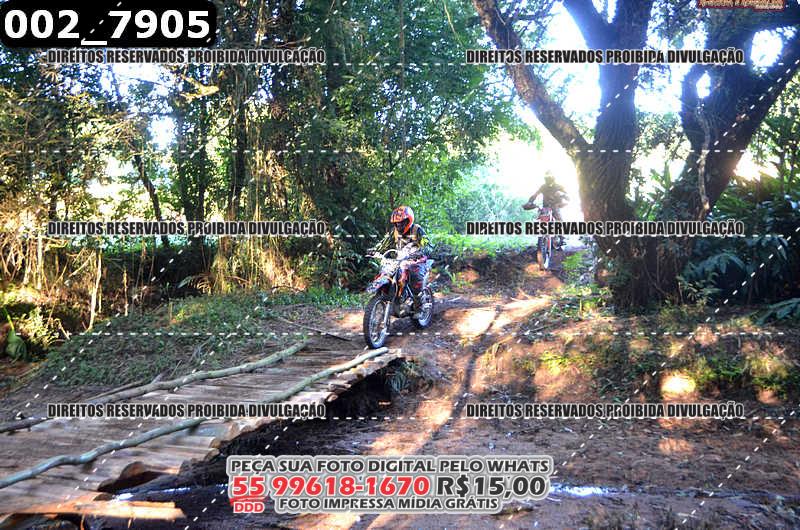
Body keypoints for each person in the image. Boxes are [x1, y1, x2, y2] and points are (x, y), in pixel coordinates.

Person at [372, 205, 430, 315]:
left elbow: (427, 244)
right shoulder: (394, 232)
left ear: (408, 220)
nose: (399, 225)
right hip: (400, 259)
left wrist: (420, 251)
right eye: (397, 223)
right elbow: (384, 243)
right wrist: (374, 250)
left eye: (402, 222)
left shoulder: (417, 230)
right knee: (387, 271)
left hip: (417, 260)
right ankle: (395, 296)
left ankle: (419, 305)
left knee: (416, 276)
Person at [523, 174, 568, 249]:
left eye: (549, 179)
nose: (548, 181)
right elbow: (535, 195)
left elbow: (567, 195)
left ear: (553, 179)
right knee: (540, 218)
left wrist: (563, 195)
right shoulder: (543, 187)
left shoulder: (558, 186)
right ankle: (541, 239)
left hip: (556, 205)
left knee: (559, 219)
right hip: (545, 207)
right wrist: (530, 202)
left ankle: (562, 237)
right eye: (547, 179)